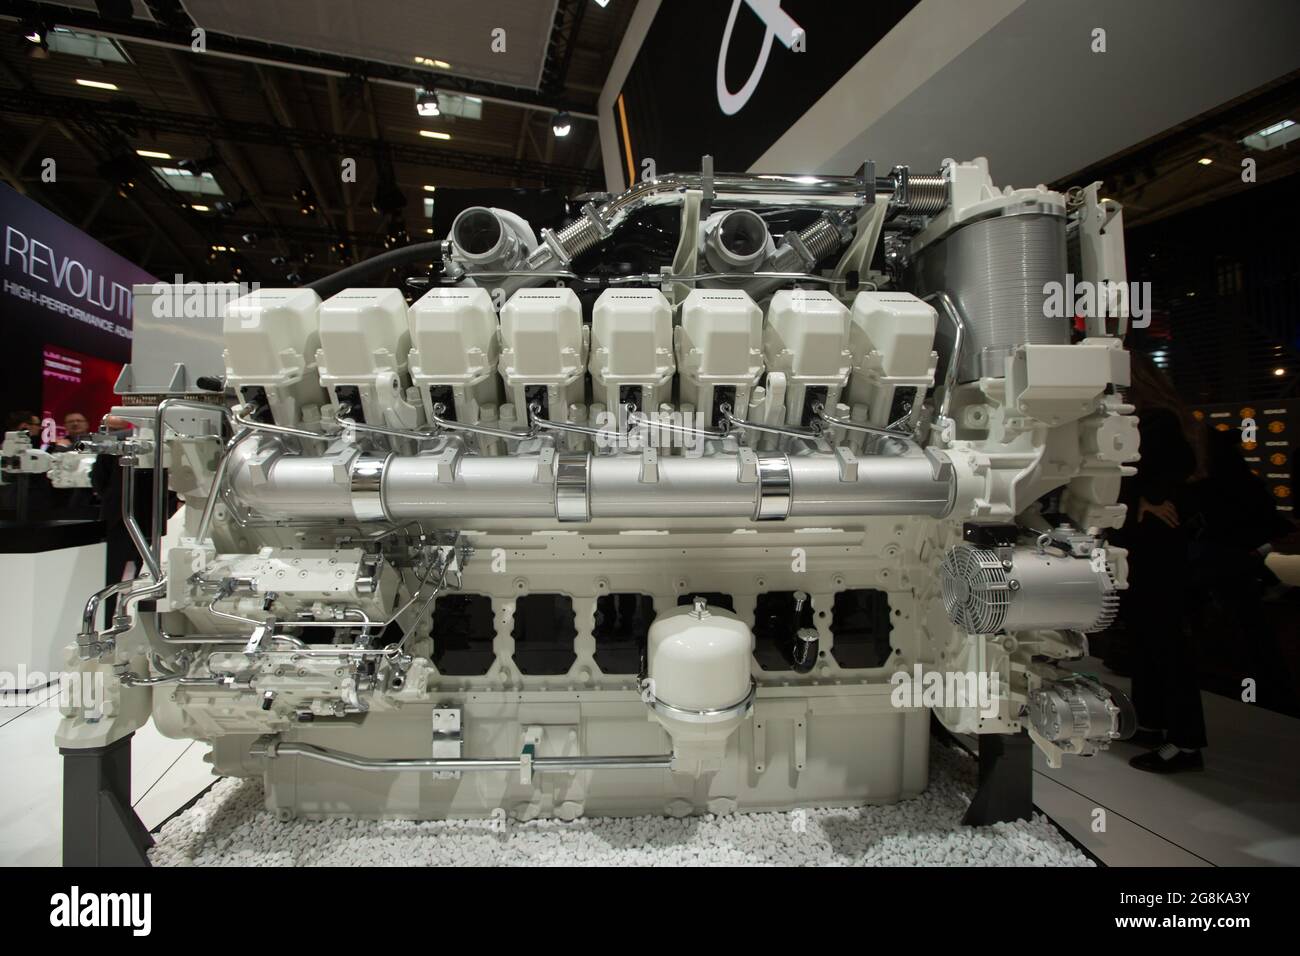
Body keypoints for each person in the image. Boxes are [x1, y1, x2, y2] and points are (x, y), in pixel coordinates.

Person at [1116, 352, 1209, 773]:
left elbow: (1160, 478)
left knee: (1165, 640)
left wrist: (1144, 502)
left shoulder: (1157, 424)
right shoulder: (1159, 421)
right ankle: (1152, 722)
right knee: (1148, 637)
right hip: (1148, 547)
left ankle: (1186, 742)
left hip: (1155, 550)